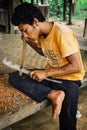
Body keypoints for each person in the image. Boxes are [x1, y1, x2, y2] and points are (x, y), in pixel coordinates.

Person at [9, 2, 85, 130]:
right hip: (52, 77)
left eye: (25, 30)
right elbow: (44, 52)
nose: (24, 35)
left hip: (69, 80)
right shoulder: (41, 34)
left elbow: (76, 66)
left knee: (67, 120)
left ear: (35, 22)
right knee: (16, 76)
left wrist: (46, 73)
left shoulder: (62, 33)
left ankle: (56, 94)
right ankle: (53, 94)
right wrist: (30, 42)